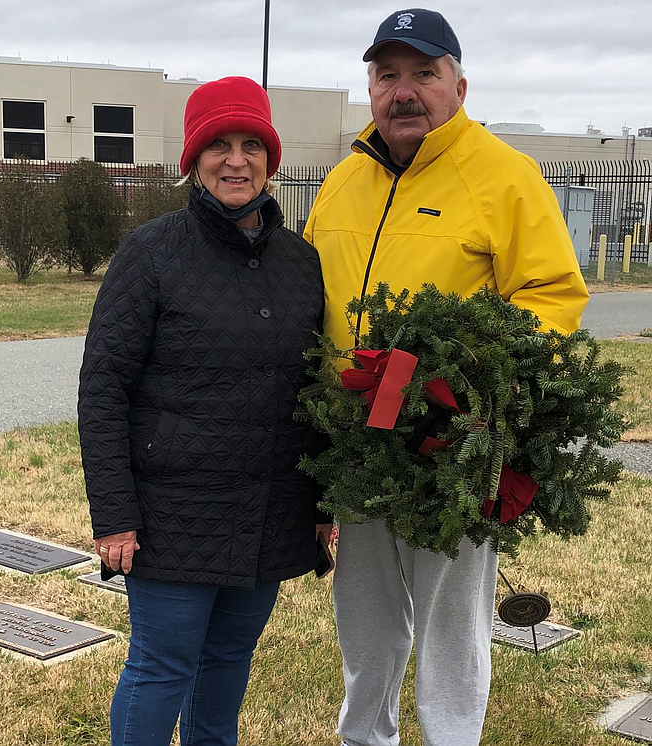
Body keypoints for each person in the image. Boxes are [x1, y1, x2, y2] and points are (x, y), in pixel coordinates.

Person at [303, 9, 589, 746]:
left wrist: (470, 391)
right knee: (365, 622)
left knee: (450, 628)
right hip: (357, 446)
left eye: (423, 74)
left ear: (458, 86)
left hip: (445, 447)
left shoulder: (505, 177)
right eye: (387, 74)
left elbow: (553, 298)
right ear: (369, 86)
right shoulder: (342, 183)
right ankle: (364, 737)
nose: (404, 91)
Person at [78, 75, 332, 746]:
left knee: (226, 664)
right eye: (219, 145)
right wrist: (115, 517)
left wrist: (322, 503)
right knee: (161, 667)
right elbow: (103, 388)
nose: (236, 160)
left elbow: (315, 390)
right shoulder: (151, 254)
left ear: (271, 159)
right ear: (194, 158)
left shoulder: (300, 263)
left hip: (269, 511)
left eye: (252, 144)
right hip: (170, 519)